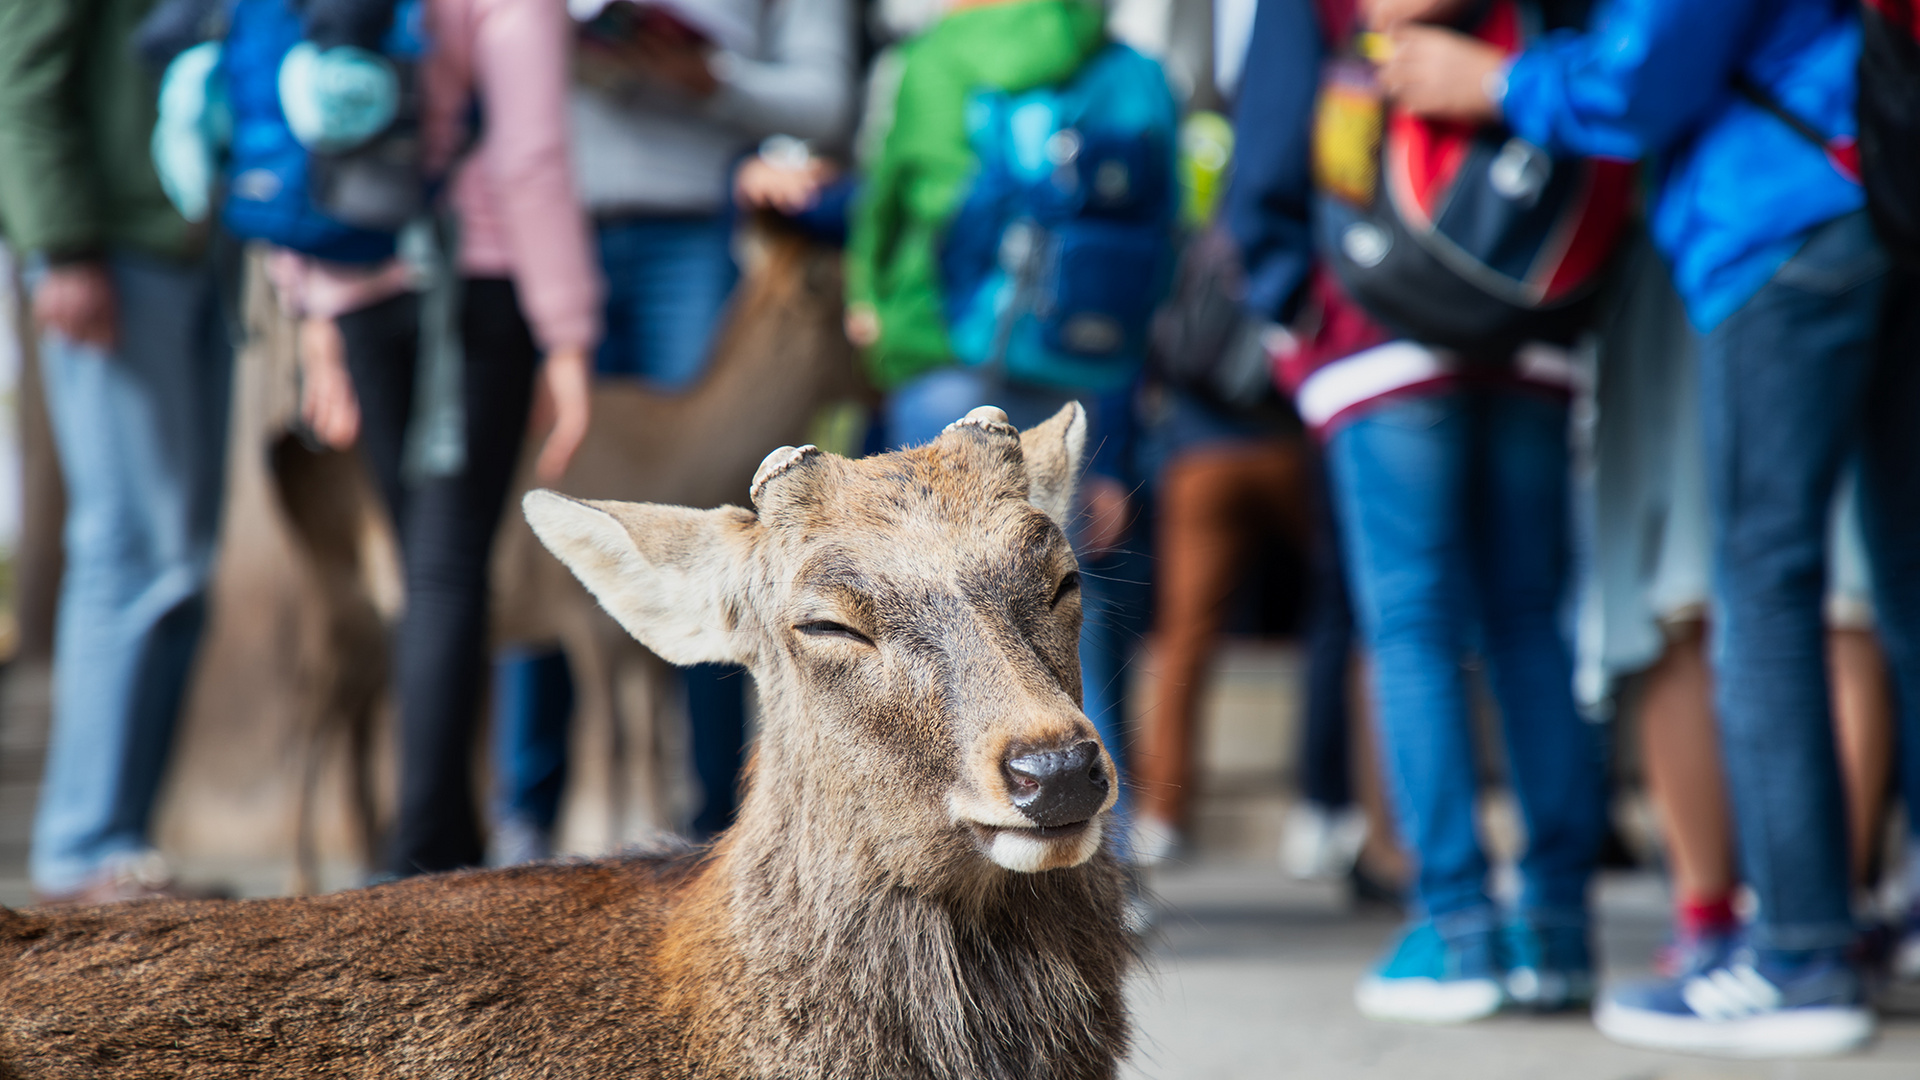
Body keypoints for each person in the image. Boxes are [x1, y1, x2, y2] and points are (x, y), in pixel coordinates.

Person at [1378, 0, 1920, 1056]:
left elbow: (1642, 73)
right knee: (1903, 577)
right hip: (1882, 191)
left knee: (1763, 580)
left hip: (1779, 210)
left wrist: (1496, 81)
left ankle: (1801, 956)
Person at [488, 0, 858, 861]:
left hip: (696, 235)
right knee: (548, 521)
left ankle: (714, 827)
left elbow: (823, 101)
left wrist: (713, 81)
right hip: (550, 222)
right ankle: (526, 823)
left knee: (713, 537)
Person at [281, 0, 603, 879]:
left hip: (358, 285)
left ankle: (436, 834)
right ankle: (428, 849)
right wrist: (568, 332)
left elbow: (295, 125)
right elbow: (530, 158)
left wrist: (310, 303)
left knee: (425, 564)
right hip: (476, 284)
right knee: (448, 568)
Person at [844, 0, 1177, 835]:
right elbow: (1161, 247)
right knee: (1071, 602)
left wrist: (871, 309)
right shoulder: (1134, 71)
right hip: (1085, 363)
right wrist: (1117, 447)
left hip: (950, 364)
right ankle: (1108, 851)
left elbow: (888, 207)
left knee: (939, 614)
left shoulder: (936, 58)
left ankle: (954, 829)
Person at [0, 0, 235, 902]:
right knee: (134, 548)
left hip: (201, 248)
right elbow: (19, 80)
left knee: (185, 564)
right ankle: (80, 846)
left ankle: (124, 846)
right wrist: (58, 245)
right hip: (108, 252)